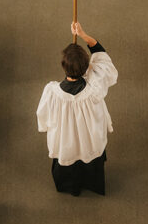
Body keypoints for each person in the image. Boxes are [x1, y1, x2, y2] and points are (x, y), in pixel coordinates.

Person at [37, 21, 118, 197]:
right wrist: (83, 34)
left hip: (65, 141)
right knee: (90, 155)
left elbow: (42, 115)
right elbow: (102, 56)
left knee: (68, 157)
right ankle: (93, 184)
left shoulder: (52, 92)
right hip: (91, 139)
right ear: (87, 67)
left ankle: (70, 187)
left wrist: (45, 126)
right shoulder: (96, 86)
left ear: (63, 66)